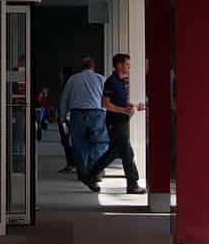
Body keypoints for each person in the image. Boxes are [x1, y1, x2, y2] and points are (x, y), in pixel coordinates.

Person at [87, 53, 143, 195]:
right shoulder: (111, 82)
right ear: (119, 65)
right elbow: (105, 103)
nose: (129, 67)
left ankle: (90, 175)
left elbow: (121, 103)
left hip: (121, 122)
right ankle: (132, 183)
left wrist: (133, 106)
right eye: (127, 64)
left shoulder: (122, 82)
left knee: (114, 152)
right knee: (127, 153)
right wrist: (123, 110)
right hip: (114, 123)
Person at [59, 55, 107, 181]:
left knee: (79, 144)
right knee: (98, 143)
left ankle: (82, 172)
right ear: (93, 67)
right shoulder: (101, 79)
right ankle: (95, 171)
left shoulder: (73, 79)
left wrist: (62, 116)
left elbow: (65, 98)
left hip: (77, 114)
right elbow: (107, 99)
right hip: (97, 113)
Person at [55, 66, 77, 173]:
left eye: (60, 73)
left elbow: (62, 102)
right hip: (72, 117)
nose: (59, 75)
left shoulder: (65, 86)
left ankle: (71, 165)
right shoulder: (74, 86)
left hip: (65, 118)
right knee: (70, 141)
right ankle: (73, 164)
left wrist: (61, 117)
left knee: (66, 140)